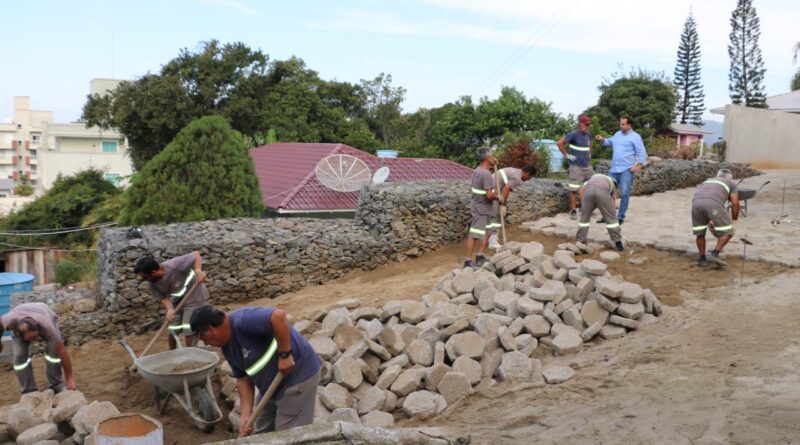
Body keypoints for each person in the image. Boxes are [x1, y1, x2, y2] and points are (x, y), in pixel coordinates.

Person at [190, 305, 321, 437]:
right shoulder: (227, 347)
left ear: (211, 330)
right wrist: (245, 415)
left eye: (203, 338)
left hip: (296, 379)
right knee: (261, 434)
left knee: (289, 437)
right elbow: (243, 379)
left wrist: (285, 354)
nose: (206, 343)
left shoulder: (244, 320)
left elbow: (278, 316)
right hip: (269, 388)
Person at [134, 251, 209, 349]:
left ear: (153, 272)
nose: (144, 279)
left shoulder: (174, 265)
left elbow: (196, 254)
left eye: (145, 277)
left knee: (188, 327)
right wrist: (169, 309)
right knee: (173, 328)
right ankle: (172, 354)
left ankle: (190, 353)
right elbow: (162, 297)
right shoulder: (153, 283)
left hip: (195, 296)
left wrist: (198, 271)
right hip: (178, 300)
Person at [0, 302, 76, 394]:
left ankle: (56, 384)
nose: (34, 340)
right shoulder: (9, 320)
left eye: (35, 337)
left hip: (45, 312)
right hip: (20, 314)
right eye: (30, 339)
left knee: (54, 351)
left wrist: (69, 378)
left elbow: (62, 351)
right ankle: (28, 390)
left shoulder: (48, 327)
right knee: (19, 356)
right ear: (20, 335)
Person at [595, 115, 648, 225]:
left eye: (623, 124)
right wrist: (603, 139)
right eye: (620, 124)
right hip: (614, 169)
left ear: (629, 125)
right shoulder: (617, 134)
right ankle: (607, 216)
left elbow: (642, 153)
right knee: (606, 192)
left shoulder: (635, 137)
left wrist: (637, 166)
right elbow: (610, 142)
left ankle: (620, 217)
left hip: (626, 170)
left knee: (624, 194)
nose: (621, 126)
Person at [691, 169, 740, 267]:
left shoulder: (707, 181)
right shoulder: (731, 184)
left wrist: (710, 218)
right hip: (713, 203)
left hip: (696, 203)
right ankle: (715, 253)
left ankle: (702, 260)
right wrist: (734, 218)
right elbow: (735, 203)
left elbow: (705, 196)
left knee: (700, 233)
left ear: (717, 176)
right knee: (729, 231)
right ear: (729, 178)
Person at [465, 147, 502, 268]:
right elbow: (489, 195)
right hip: (481, 208)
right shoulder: (486, 174)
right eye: (492, 155)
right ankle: (468, 261)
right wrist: (499, 198)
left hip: (482, 208)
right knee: (474, 234)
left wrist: (493, 164)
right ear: (487, 158)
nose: (494, 157)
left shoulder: (478, 170)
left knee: (487, 231)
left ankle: (480, 255)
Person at [487, 164, 538, 249]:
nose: (528, 179)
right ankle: (492, 242)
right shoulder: (517, 178)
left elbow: (505, 188)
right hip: (493, 190)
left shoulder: (515, 171)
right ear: (527, 173)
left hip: (491, 186)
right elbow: (506, 189)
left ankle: (492, 237)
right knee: (495, 216)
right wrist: (503, 205)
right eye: (530, 177)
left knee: (493, 216)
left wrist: (503, 203)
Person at [557, 115, 594, 220]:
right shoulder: (573, 134)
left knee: (594, 183)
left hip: (587, 166)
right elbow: (559, 143)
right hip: (576, 167)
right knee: (573, 189)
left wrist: (590, 153)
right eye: (586, 124)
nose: (587, 126)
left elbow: (591, 144)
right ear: (580, 124)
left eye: (588, 125)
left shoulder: (588, 134)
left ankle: (585, 207)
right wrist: (567, 155)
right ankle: (573, 210)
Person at [577, 173, 624, 252]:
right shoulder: (612, 183)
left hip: (588, 193)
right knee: (612, 221)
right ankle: (618, 243)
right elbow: (613, 200)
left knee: (584, 220)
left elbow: (581, 190)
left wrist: (584, 204)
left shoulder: (592, 178)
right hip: (602, 192)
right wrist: (611, 212)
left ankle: (581, 241)